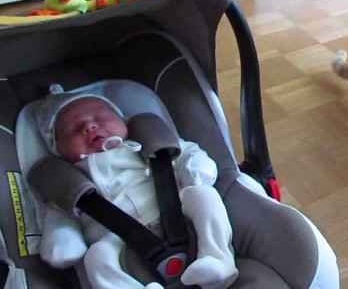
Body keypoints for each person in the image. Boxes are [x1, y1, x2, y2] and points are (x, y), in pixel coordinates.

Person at [34, 86, 238, 289]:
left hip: (181, 218)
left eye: (100, 115)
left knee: (203, 195)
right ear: (57, 149)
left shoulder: (152, 147)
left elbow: (189, 152)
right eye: (71, 128)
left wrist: (195, 169)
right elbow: (59, 216)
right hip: (126, 251)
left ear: (124, 120)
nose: (89, 127)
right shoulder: (69, 181)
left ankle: (217, 261)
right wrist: (63, 242)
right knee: (96, 256)